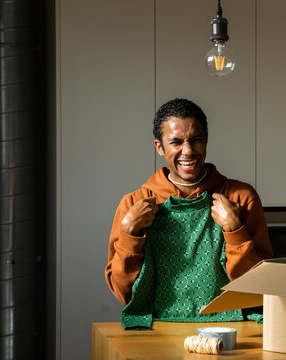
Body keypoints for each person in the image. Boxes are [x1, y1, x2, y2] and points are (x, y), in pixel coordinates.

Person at [105, 98, 273, 328]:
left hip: (232, 328)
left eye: (196, 140)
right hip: (155, 328)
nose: (188, 151)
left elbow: (261, 289)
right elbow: (124, 293)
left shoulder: (241, 197)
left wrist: (235, 231)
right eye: (176, 142)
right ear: (159, 147)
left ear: (206, 141)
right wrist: (128, 234)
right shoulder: (133, 203)